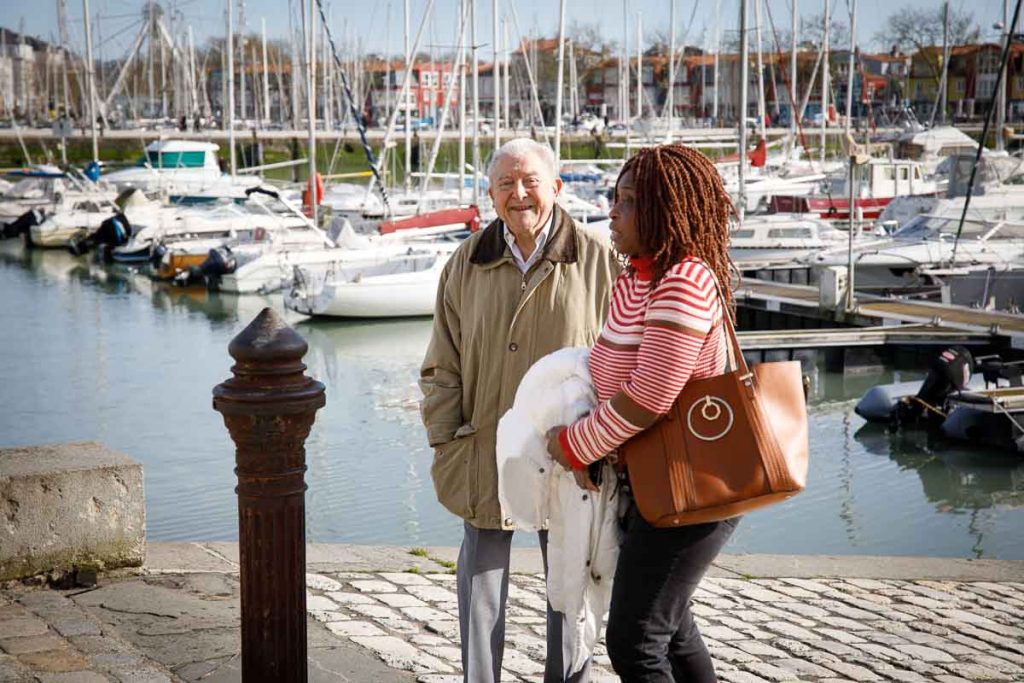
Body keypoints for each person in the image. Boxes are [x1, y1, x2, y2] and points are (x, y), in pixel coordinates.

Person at [419, 137, 619, 683]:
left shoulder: (599, 260)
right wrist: (446, 440)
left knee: (568, 584)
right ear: (490, 193)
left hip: (573, 453)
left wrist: (605, 446)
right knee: (480, 586)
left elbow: (623, 361)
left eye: (530, 180)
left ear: (556, 187)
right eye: (506, 183)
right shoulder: (466, 261)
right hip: (485, 445)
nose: (519, 193)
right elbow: (442, 362)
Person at [546, 143, 738, 682]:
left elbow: (649, 397)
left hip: (694, 484)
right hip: (654, 479)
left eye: (628, 201)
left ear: (662, 210)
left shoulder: (684, 280)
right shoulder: (637, 279)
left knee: (634, 640)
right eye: (615, 197)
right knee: (673, 630)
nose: (613, 210)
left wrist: (573, 445)